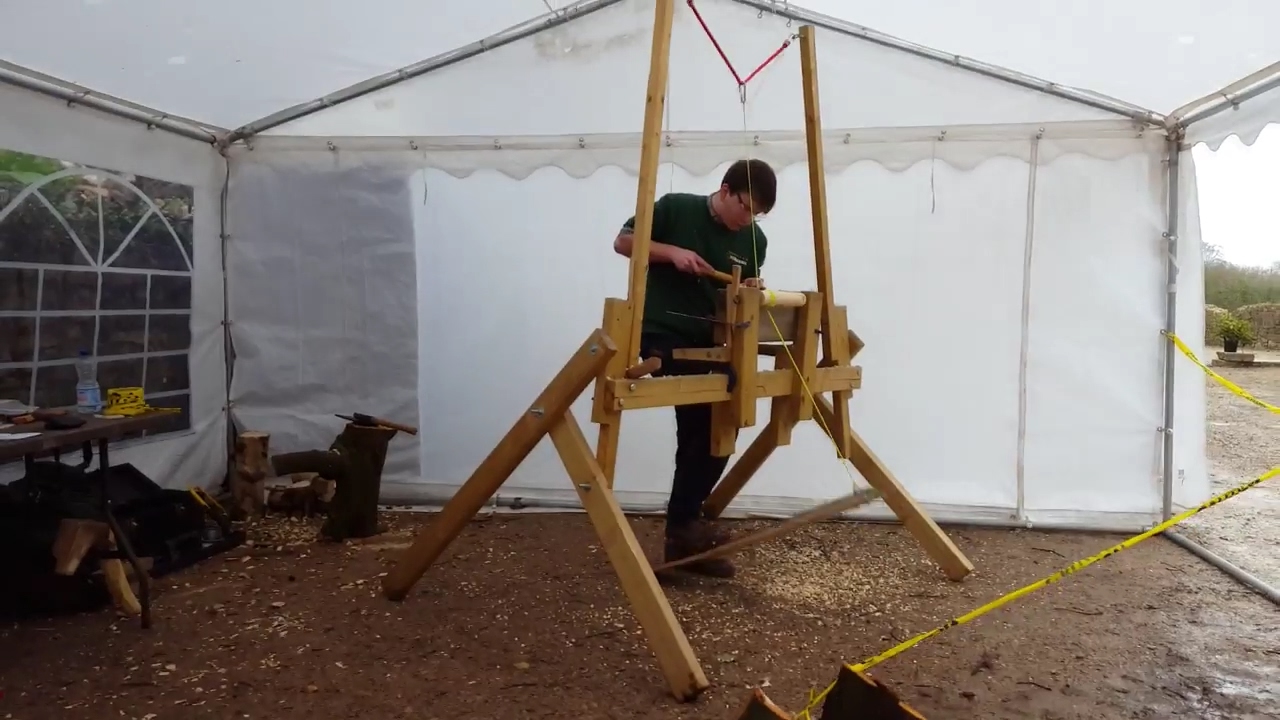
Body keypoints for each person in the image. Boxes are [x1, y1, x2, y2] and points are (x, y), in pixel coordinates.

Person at [612, 158, 777, 578]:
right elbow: (624, 243)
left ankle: (683, 535)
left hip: (711, 344)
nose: (748, 220)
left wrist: (752, 289)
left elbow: (741, 298)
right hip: (661, 335)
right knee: (706, 418)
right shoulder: (676, 208)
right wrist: (671, 253)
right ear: (724, 191)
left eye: (756, 214)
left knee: (722, 419)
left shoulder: (754, 239)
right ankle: (685, 527)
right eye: (745, 207)